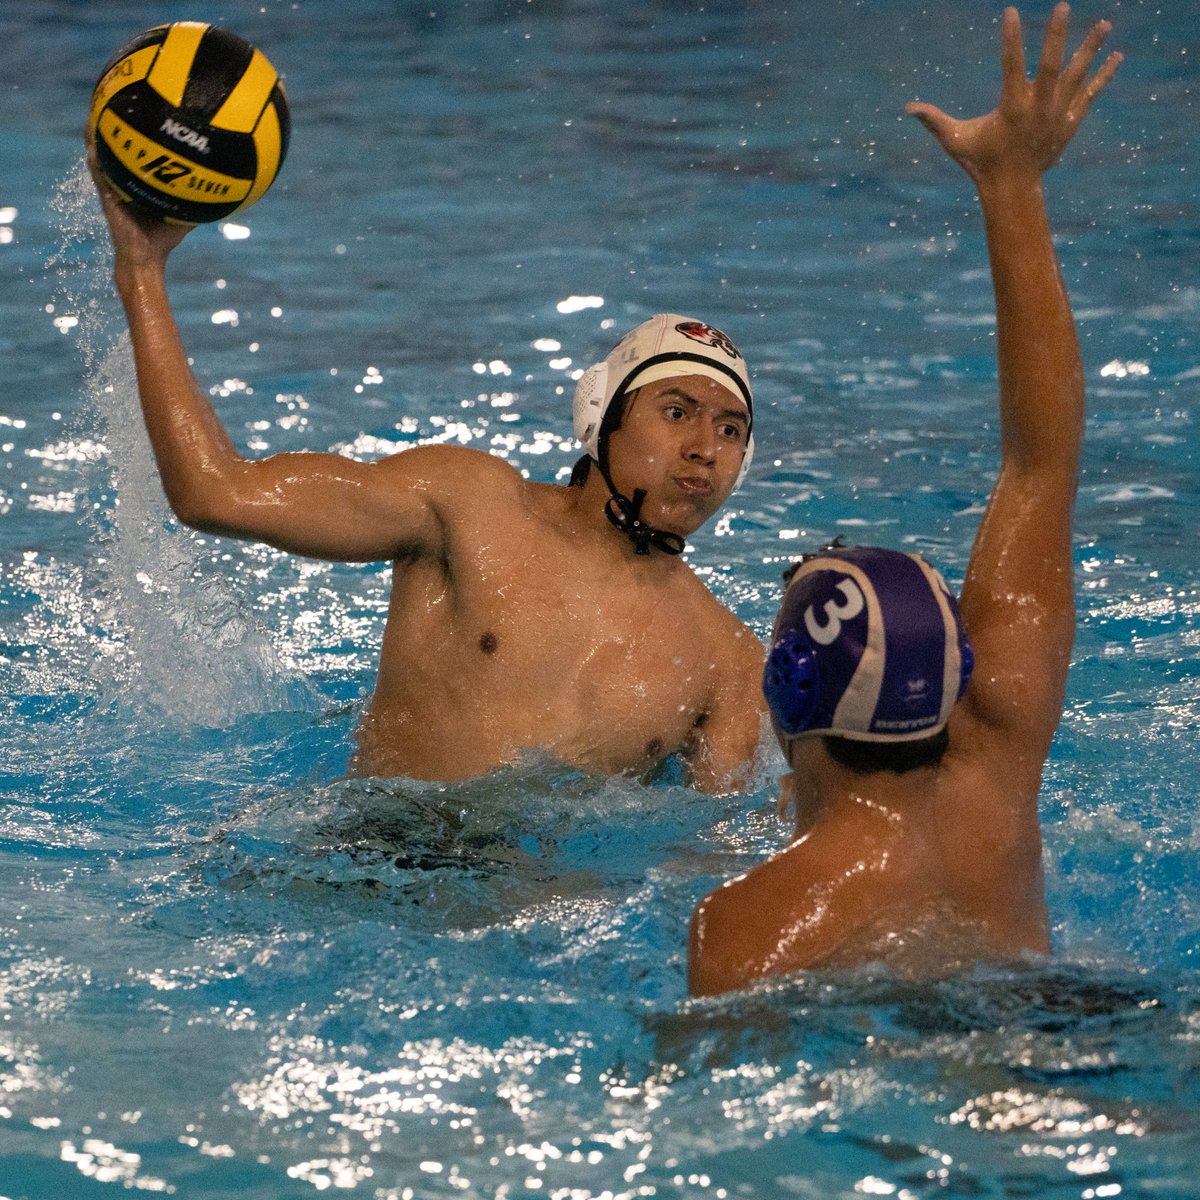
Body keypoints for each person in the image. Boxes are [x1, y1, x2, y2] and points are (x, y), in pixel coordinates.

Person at [86, 134, 765, 788]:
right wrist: (141, 271)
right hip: (365, 862)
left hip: (547, 905)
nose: (706, 447)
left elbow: (707, 864)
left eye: (731, 429)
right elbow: (214, 494)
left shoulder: (726, 663)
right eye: (677, 412)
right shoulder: (469, 507)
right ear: (600, 418)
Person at [688, 3, 1122, 994]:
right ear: (959, 675)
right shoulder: (1000, 754)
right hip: (1088, 1018)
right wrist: (1013, 188)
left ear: (787, 693)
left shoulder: (745, 928)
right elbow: (1041, 464)